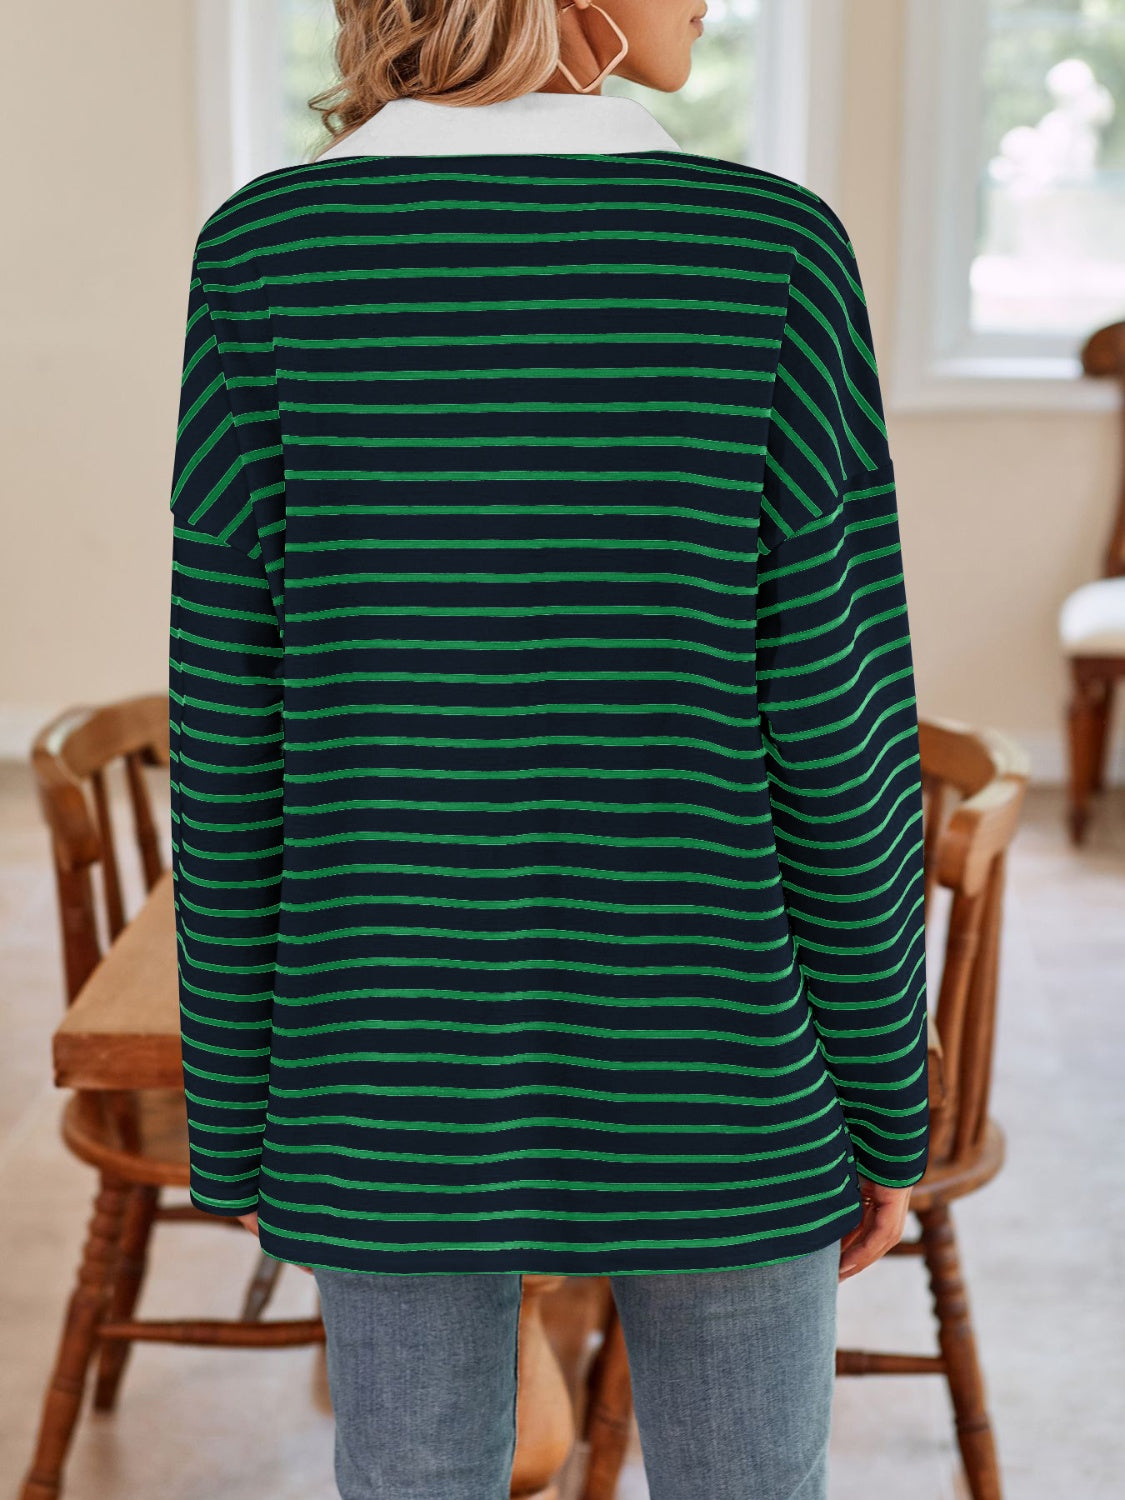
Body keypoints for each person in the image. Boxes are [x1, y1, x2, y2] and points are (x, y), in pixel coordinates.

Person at [166, 1, 930, 1495]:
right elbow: (837, 731)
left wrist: (246, 1124)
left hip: (379, 1068)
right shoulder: (768, 252)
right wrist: (884, 1100)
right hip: (723, 1068)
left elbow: (230, 735)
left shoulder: (265, 254)